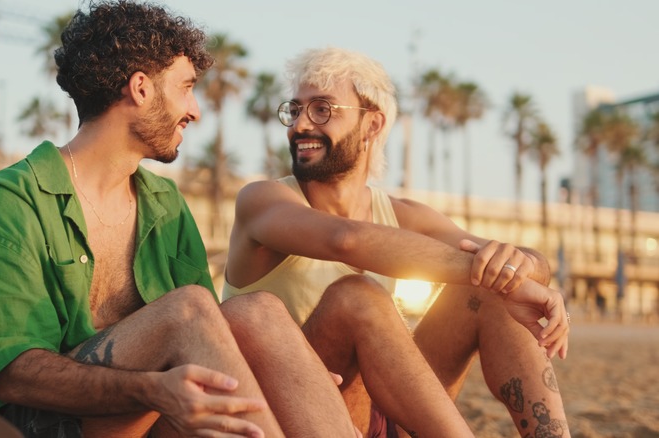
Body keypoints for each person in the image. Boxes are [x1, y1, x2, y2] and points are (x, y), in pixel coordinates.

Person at [0, 3, 359, 437]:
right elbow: (13, 376)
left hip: (150, 419)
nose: (195, 110)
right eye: (186, 88)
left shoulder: (165, 202)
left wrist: (287, 370)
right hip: (41, 423)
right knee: (187, 309)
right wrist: (151, 390)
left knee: (257, 313)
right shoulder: (11, 200)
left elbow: (213, 340)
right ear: (141, 89)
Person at [223, 47, 571, 437]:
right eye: (294, 109)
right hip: (296, 417)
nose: (299, 125)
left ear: (372, 124)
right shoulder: (263, 200)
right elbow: (345, 239)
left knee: (489, 288)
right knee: (357, 296)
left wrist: (522, 269)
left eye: (322, 109)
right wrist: (505, 275)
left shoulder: (403, 214)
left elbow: (518, 259)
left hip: (382, 414)